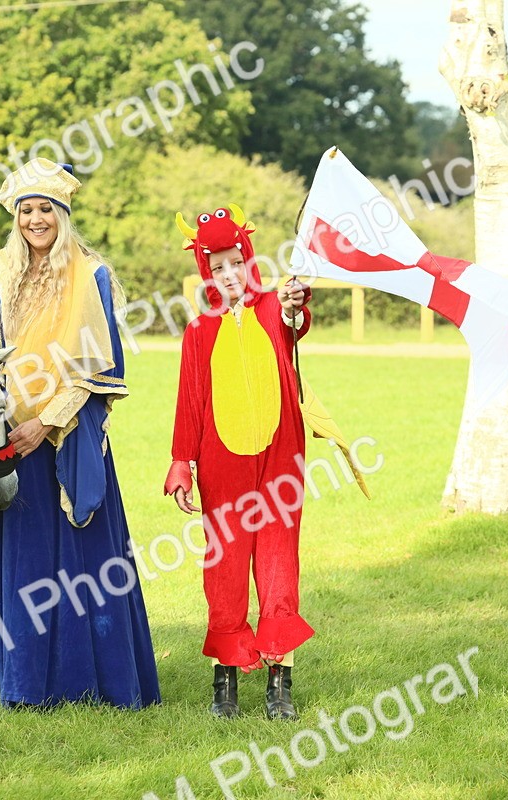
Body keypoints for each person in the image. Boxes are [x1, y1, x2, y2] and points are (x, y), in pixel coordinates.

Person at [0, 158, 161, 709]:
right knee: (22, 562)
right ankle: (28, 686)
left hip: (64, 432)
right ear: (14, 217)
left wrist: (47, 421)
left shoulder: (92, 275)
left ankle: (96, 683)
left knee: (84, 561)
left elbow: (99, 368)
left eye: (45, 210)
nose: (35, 220)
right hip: (2, 435)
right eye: (26, 211)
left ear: (63, 214)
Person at [163, 205, 311, 720]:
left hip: (280, 459)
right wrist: (182, 461)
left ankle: (279, 680)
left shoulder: (274, 307)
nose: (230, 275)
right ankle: (225, 680)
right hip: (221, 463)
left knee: (277, 563)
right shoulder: (199, 330)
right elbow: (190, 402)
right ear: (207, 272)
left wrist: (294, 303)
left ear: (249, 259)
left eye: (236, 263)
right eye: (218, 267)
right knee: (224, 566)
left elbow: (295, 321)